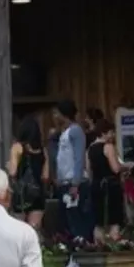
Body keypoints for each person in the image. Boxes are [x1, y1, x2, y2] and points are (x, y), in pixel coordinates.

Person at [52, 100, 89, 242]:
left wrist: (76, 182)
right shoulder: (64, 132)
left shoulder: (75, 131)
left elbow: (79, 157)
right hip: (65, 182)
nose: (55, 116)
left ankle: (80, 244)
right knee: (67, 218)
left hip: (73, 182)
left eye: (57, 113)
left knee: (75, 218)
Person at [87, 120, 127, 243]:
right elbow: (115, 168)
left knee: (99, 220)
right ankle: (114, 244)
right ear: (103, 133)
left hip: (96, 186)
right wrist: (124, 167)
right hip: (110, 187)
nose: (113, 135)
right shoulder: (108, 147)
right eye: (111, 132)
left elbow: (88, 170)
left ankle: (99, 246)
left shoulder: (90, 149)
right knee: (114, 219)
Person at [7, 117, 49, 231]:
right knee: (34, 229)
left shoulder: (17, 147)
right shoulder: (43, 150)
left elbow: (13, 172)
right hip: (37, 193)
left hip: (21, 193)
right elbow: (45, 176)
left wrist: (9, 166)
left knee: (19, 229)